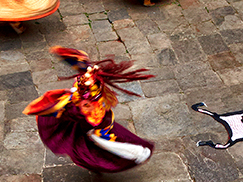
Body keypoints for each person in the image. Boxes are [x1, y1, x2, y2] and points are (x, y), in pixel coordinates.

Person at [24, 47, 155, 173]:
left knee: (108, 144)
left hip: (97, 127)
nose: (84, 77)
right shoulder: (89, 82)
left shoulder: (88, 105)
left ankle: (138, 153)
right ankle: (137, 152)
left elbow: (71, 112)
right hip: (91, 120)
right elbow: (80, 65)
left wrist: (51, 110)